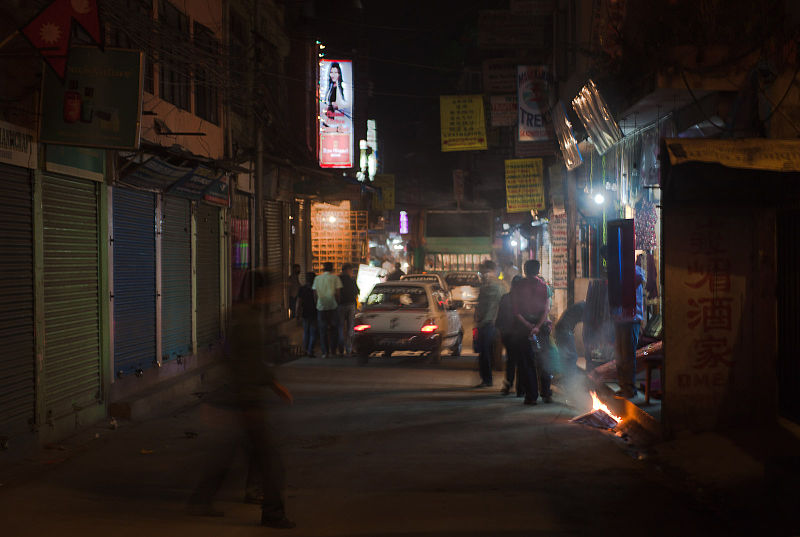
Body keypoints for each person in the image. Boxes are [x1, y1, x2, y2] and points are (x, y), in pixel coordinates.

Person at [188, 268, 295, 529]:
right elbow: (248, 362)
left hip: (241, 397)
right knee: (270, 461)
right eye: (270, 291)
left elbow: (238, 358)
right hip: (247, 400)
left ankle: (201, 500)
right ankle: (272, 514)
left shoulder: (243, 316)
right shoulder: (247, 320)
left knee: (230, 453)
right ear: (261, 292)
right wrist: (270, 386)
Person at [510, 259, 553, 405]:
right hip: (542, 329)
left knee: (527, 363)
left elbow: (516, 311)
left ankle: (531, 396)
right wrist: (538, 326)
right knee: (544, 361)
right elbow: (546, 309)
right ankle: (546, 393)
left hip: (523, 330)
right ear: (538, 270)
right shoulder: (545, 287)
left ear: (525, 270)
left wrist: (529, 326)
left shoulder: (518, 286)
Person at [613, 259, 646, 399]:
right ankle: (623, 385)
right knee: (620, 356)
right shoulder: (618, 272)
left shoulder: (636, 271)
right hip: (619, 320)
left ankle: (630, 388)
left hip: (632, 320)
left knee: (628, 355)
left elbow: (640, 280)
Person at [473, 260, 506, 388]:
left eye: (484, 271)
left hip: (489, 323)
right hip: (491, 323)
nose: (483, 274)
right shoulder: (499, 285)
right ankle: (489, 379)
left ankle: (487, 379)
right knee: (489, 352)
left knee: (485, 352)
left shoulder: (492, 285)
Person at [496, 275, 523, 396]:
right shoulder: (524, 299)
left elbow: (500, 317)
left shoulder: (505, 298)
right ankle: (520, 389)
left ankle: (509, 385)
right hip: (520, 334)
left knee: (511, 360)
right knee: (521, 361)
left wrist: (500, 330)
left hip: (508, 334)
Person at [312, 262, 342, 358]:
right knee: (334, 329)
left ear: (323, 269)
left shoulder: (317, 278)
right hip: (333, 306)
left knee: (322, 330)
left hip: (321, 306)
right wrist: (337, 303)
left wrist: (317, 303)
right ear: (332, 269)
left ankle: (325, 352)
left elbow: (315, 293)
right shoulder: (335, 278)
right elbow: (338, 293)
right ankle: (333, 351)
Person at [337, 263, 360, 356]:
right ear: (348, 270)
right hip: (350, 305)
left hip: (341, 305)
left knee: (341, 327)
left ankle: (341, 349)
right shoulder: (352, 280)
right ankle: (349, 349)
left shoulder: (337, 279)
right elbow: (357, 292)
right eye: (351, 270)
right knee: (350, 328)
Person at [296, 272, 318, 357]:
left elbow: (298, 302)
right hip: (314, 312)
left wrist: (297, 313)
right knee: (313, 333)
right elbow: (317, 300)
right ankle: (310, 350)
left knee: (306, 332)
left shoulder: (302, 288)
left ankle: (305, 350)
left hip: (305, 312)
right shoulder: (315, 288)